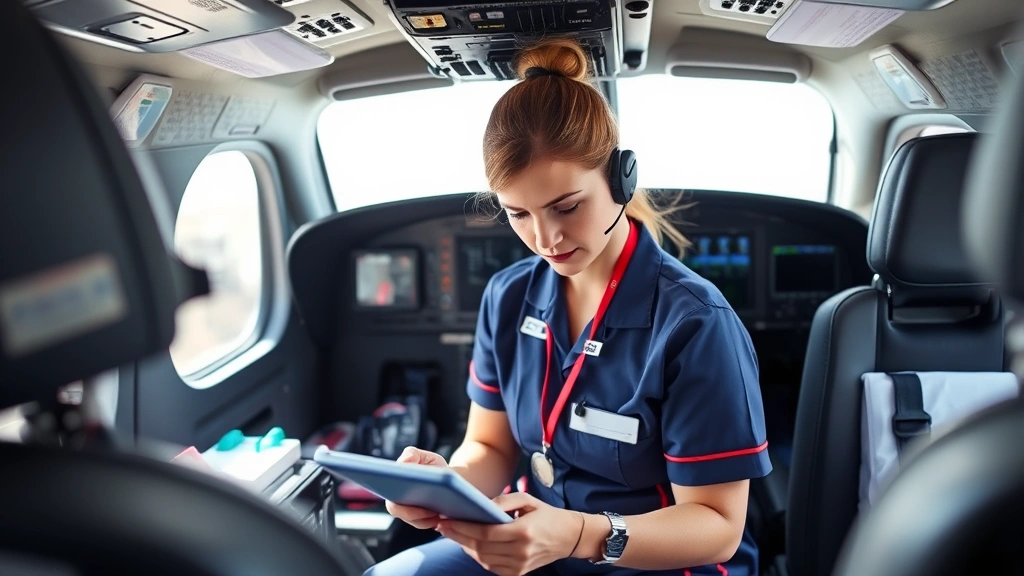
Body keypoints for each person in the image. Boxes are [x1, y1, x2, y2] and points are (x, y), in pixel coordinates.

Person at [365, 38, 771, 576]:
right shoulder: (506, 296)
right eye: (518, 214)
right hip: (539, 540)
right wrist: (443, 486)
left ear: (620, 178)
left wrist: (579, 534)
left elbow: (718, 527)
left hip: (658, 562)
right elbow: (489, 446)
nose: (546, 237)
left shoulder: (696, 322)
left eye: (566, 206)